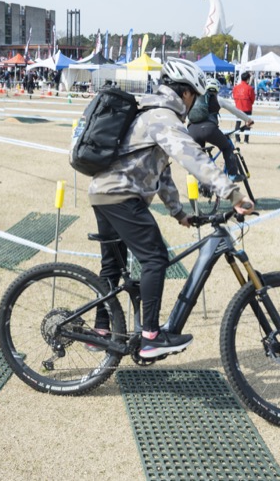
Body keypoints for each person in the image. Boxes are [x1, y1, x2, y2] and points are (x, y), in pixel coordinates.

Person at [86, 58, 254, 359]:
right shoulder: (163, 117)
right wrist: (233, 193)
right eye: (195, 96)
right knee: (155, 257)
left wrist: (178, 212)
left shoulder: (152, 113)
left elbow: (160, 172)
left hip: (103, 192)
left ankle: (100, 331)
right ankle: (150, 336)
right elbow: (191, 156)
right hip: (120, 194)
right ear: (186, 93)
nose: (194, 103)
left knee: (113, 266)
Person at [186, 78, 254, 178]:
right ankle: (232, 174)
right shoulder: (218, 99)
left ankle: (201, 183)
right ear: (217, 89)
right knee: (227, 147)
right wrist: (248, 120)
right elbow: (235, 111)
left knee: (200, 156)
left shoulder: (195, 98)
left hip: (192, 130)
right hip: (210, 130)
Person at [232, 72, 256, 143]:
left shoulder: (236, 87)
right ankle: (246, 140)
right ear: (248, 79)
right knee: (248, 123)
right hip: (247, 107)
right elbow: (252, 98)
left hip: (238, 107)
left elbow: (234, 97)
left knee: (238, 123)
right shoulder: (249, 88)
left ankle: (237, 139)